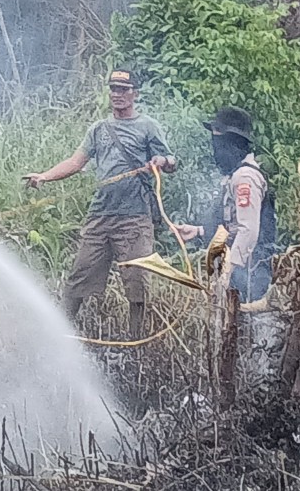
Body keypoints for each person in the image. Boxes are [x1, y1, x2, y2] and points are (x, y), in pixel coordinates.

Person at [24, 69, 176, 337]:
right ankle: (60, 335)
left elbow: (171, 161)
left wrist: (161, 162)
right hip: (100, 216)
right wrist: (44, 177)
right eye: (114, 89)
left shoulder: (148, 127)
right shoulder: (99, 129)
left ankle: (135, 342)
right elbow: (75, 162)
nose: (117, 94)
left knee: (137, 281)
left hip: (134, 217)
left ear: (135, 94)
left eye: (123, 89)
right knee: (80, 275)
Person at [175, 107, 276, 302]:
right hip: (243, 268)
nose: (215, 147)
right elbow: (233, 224)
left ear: (232, 141)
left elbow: (248, 230)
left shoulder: (245, 177)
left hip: (251, 270)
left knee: (249, 323)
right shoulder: (236, 175)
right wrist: (198, 231)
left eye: (218, 140)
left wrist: (230, 270)